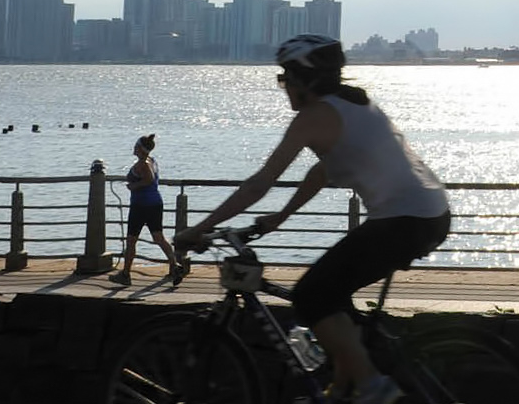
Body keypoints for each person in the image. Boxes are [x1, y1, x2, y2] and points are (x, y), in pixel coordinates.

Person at [175, 35, 450, 404]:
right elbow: (323, 171)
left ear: (306, 78)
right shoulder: (355, 103)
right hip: (429, 214)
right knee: (336, 301)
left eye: (285, 78)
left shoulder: (314, 116)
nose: (283, 86)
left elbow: (259, 183)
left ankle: (375, 388)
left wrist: (200, 228)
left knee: (310, 297)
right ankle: (343, 388)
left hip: (403, 221)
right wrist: (281, 217)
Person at [112, 132, 181, 286]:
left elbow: (149, 179)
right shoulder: (151, 160)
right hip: (155, 203)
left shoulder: (143, 163)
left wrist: (132, 186)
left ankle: (125, 274)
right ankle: (174, 266)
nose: (134, 148)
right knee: (159, 238)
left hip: (141, 206)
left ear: (141, 149)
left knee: (131, 241)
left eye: (136, 146)